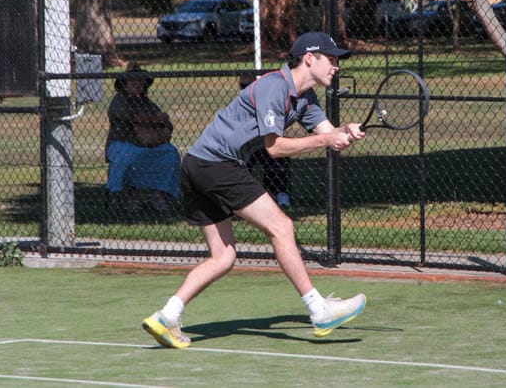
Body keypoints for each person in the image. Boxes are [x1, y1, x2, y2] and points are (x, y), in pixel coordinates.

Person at [142, 32, 366, 349]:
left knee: (223, 257)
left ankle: (167, 316)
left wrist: (346, 132)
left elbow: (329, 134)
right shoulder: (274, 86)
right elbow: (274, 148)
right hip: (216, 164)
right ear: (309, 59)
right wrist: (327, 139)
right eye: (331, 59)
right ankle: (319, 310)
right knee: (281, 226)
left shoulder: (306, 98)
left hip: (198, 164)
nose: (336, 66)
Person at [106, 63, 181, 212]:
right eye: (133, 81)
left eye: (141, 81)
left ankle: (159, 195)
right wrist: (156, 120)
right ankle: (132, 197)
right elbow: (132, 117)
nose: (138, 84)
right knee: (130, 154)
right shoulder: (119, 101)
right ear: (125, 84)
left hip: (149, 144)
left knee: (170, 152)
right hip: (122, 144)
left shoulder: (146, 102)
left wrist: (159, 123)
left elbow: (168, 125)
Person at [239, 73, 292, 209]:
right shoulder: (240, 103)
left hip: (265, 144)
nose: (246, 89)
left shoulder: (266, 100)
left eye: (248, 86)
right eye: (243, 87)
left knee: (279, 158)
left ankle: (279, 192)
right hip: (246, 146)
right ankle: (243, 195)